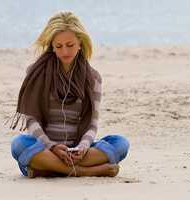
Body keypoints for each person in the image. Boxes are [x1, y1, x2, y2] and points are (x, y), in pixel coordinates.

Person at [8, 11, 129, 177]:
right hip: (46, 147)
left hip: (76, 150)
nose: (65, 51)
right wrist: (52, 146)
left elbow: (93, 124)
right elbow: (31, 121)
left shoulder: (93, 78)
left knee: (121, 143)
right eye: (59, 46)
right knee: (19, 144)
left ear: (80, 42)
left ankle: (48, 169)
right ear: (52, 46)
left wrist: (84, 146)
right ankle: (83, 171)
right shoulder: (35, 73)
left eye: (70, 45)